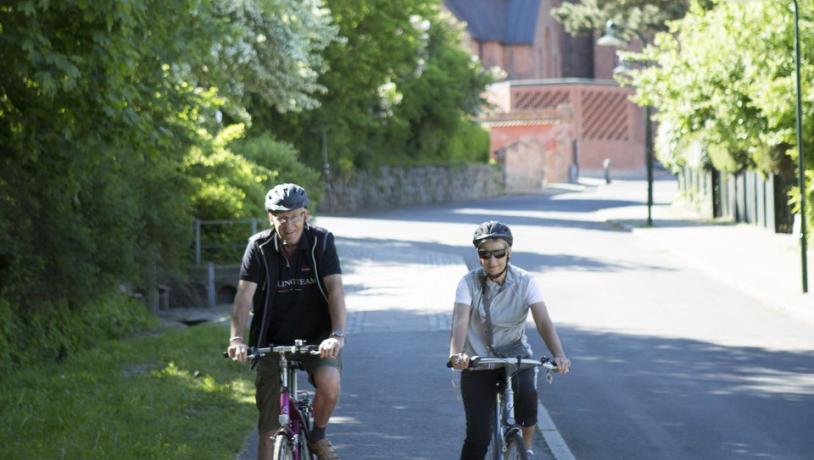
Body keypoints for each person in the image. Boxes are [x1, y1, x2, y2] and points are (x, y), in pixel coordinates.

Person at [227, 183, 347, 460]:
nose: (288, 224)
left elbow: (335, 290)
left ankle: (317, 437)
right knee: (269, 431)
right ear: (271, 218)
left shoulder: (322, 241)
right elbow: (244, 296)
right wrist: (237, 339)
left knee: (330, 382)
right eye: (281, 217)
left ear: (305, 215)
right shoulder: (258, 246)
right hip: (270, 340)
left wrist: (337, 334)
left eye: (294, 216)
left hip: (318, 338)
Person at [449, 221, 571, 459]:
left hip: (515, 358)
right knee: (478, 436)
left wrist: (559, 354)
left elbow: (544, 321)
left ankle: (524, 449)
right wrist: (456, 354)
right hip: (477, 361)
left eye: (498, 253)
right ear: (478, 255)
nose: (492, 261)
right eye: (485, 254)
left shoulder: (526, 282)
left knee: (527, 399)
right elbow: (459, 322)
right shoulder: (467, 283)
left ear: (509, 252)